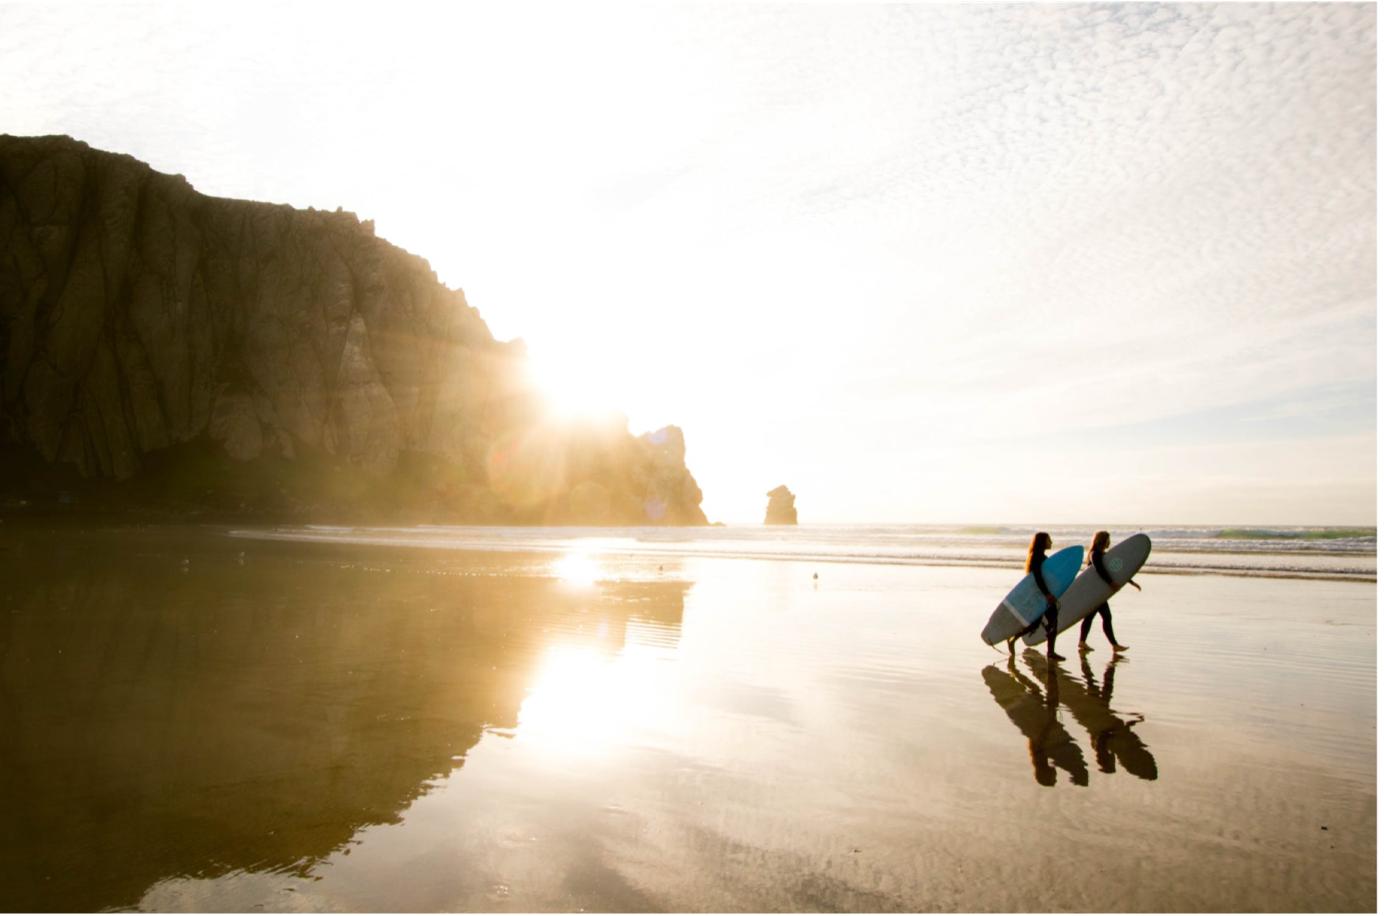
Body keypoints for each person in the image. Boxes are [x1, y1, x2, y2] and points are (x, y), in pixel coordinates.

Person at [1077, 530, 1139, 653]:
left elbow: (1116, 571)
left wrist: (1131, 582)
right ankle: (1113, 645)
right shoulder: (1094, 554)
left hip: (1098, 591)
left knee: (1091, 616)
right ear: (1102, 540)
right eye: (1108, 540)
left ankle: (1082, 641)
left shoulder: (1102, 555)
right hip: (1095, 591)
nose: (1109, 542)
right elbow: (1099, 570)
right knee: (1105, 616)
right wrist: (1110, 583)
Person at [1008, 531, 1064, 661]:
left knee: (1045, 623)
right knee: (1045, 623)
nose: (1051, 542)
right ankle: (1014, 638)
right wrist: (1047, 594)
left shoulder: (1039, 557)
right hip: (1041, 595)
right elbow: (1038, 578)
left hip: (1042, 594)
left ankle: (1049, 651)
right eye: (1049, 540)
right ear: (1042, 542)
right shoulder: (1037, 558)